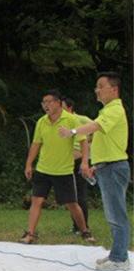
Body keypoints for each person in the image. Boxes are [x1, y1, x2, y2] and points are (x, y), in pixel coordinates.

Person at [59, 72, 130, 271]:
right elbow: (102, 141)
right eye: (96, 86)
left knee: (117, 215)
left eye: (100, 86)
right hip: (107, 167)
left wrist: (72, 131)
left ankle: (120, 259)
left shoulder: (114, 109)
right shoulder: (108, 110)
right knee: (112, 215)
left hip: (114, 167)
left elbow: (95, 126)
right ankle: (117, 254)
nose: (96, 90)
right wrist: (94, 167)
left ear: (113, 89)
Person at [21, 90, 95, 245]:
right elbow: (36, 144)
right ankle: (31, 233)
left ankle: (85, 231)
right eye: (43, 103)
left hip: (64, 171)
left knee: (72, 204)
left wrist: (84, 162)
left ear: (58, 103)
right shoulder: (42, 121)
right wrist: (29, 163)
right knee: (36, 201)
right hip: (43, 169)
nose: (45, 105)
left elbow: (83, 142)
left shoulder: (71, 120)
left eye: (49, 102)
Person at [61, 97, 93, 234]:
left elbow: (99, 129)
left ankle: (83, 227)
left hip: (80, 162)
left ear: (69, 107)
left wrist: (90, 147)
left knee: (80, 194)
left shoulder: (82, 119)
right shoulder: (60, 123)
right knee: (70, 196)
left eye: (61, 106)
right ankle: (76, 225)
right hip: (66, 162)